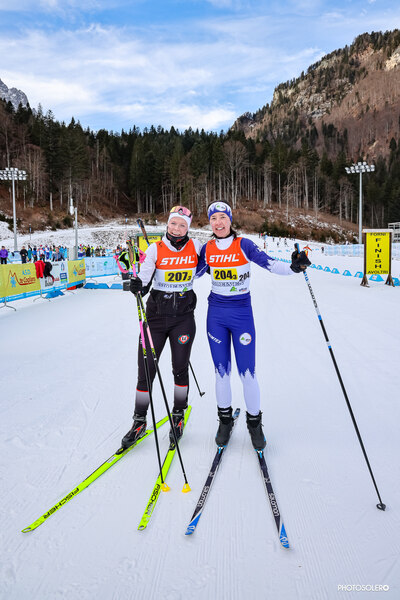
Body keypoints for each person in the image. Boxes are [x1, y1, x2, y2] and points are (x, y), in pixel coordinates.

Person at [197, 201, 311, 451]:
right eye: (213, 218)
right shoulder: (207, 249)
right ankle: (225, 420)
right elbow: (190, 273)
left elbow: (270, 264)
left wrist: (293, 267)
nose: (218, 223)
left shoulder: (244, 244)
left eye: (222, 217)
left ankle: (254, 423)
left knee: (247, 372)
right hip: (216, 315)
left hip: (241, 315)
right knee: (221, 372)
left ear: (230, 220)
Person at [121, 206, 202, 450]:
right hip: (156, 319)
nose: (177, 228)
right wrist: (138, 286)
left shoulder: (196, 247)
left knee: (180, 368)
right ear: (167, 224)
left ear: (188, 228)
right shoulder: (155, 249)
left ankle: (178, 415)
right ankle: (139, 421)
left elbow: (215, 261)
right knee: (146, 370)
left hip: (183, 318)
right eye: (173, 223)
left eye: (182, 225)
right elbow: (144, 281)